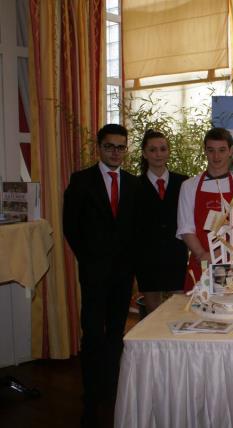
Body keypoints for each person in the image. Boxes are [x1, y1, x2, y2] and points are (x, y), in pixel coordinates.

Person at [62, 123, 139, 423]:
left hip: (123, 274)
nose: (116, 152)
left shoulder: (133, 184)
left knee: (116, 333)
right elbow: (71, 227)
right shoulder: (81, 181)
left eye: (121, 147)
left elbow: (135, 230)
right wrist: (90, 259)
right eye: (110, 146)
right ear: (99, 148)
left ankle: (111, 386)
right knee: (93, 333)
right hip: (94, 272)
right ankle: (91, 391)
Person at [177, 128, 233, 290]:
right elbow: (185, 227)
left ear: (231, 151)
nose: (216, 156)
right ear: (205, 151)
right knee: (197, 312)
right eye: (211, 150)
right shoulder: (189, 186)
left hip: (231, 264)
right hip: (200, 260)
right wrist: (202, 256)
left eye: (222, 150)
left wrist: (216, 256)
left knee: (232, 312)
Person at [135, 129, 188, 312]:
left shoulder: (184, 182)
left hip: (176, 254)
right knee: (153, 314)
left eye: (163, 149)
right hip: (147, 257)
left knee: (179, 311)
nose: (158, 154)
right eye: (153, 149)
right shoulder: (134, 185)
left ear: (168, 151)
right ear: (144, 153)